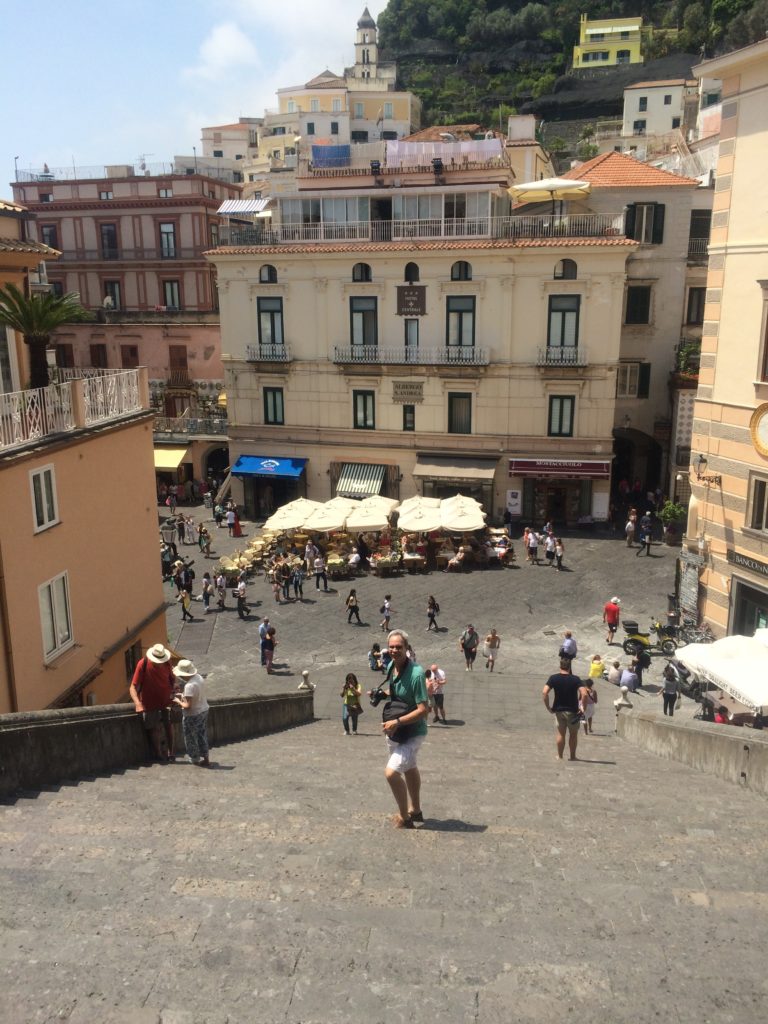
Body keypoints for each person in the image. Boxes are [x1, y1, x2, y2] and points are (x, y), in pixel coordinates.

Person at [380, 629, 429, 829]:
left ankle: (404, 817)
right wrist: (381, 694)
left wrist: (398, 722)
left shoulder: (417, 674)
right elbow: (395, 691)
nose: (394, 650)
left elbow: (424, 710)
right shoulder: (392, 665)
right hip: (396, 731)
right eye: (391, 647)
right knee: (409, 767)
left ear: (407, 648)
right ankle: (416, 810)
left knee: (391, 773)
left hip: (412, 731)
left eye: (399, 647)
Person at [129, 643, 176, 761]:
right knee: (153, 728)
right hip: (149, 702)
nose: (159, 663)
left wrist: (175, 689)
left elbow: (172, 679)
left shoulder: (167, 662)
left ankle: (171, 753)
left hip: (166, 700)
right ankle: (158, 754)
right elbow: (132, 687)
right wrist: (138, 703)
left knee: (168, 726)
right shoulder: (143, 664)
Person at [542, 658, 591, 761]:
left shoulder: (553, 678)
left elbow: (544, 692)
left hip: (559, 710)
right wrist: (583, 708)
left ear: (560, 666)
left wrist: (548, 707)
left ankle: (560, 756)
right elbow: (585, 694)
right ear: (569, 667)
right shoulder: (576, 679)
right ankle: (572, 756)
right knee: (573, 735)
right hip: (573, 711)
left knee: (561, 733)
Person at [172, 659, 211, 767]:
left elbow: (187, 706)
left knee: (190, 738)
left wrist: (179, 701)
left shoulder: (189, 686)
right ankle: (206, 758)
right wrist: (183, 695)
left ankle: (195, 759)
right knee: (201, 735)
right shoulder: (198, 677)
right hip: (203, 710)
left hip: (193, 714)